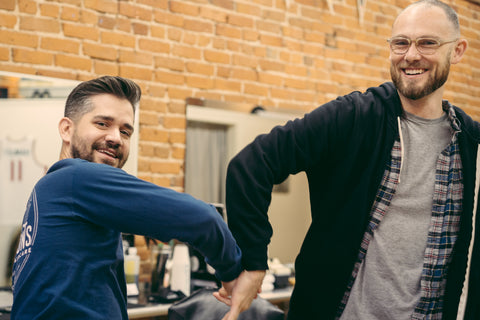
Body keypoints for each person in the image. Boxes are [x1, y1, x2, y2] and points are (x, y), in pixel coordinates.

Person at [214, 1, 480, 319]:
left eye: (427, 43)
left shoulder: (471, 144)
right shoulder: (354, 117)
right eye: (401, 42)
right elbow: (252, 165)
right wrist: (253, 262)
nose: (411, 55)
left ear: (458, 50)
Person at [11, 76, 244, 320]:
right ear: (67, 129)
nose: (115, 138)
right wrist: (232, 275)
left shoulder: (48, 187)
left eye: (125, 131)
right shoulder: (76, 177)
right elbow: (205, 220)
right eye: (102, 124)